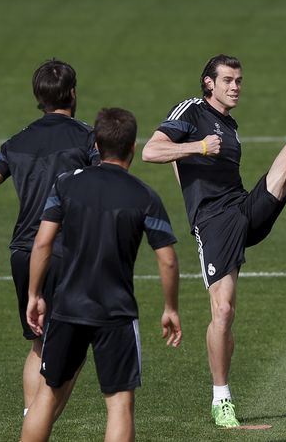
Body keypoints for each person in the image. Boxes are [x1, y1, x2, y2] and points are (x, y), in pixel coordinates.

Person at [141, 54, 286, 428]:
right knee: (224, 312)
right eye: (228, 80)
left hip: (243, 210)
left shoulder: (229, 125)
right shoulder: (191, 112)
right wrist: (197, 147)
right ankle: (221, 400)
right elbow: (150, 151)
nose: (235, 87)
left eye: (239, 81)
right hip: (213, 223)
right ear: (208, 82)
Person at [20, 108, 182, 442]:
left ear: (96, 143)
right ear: (133, 148)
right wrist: (171, 308)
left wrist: (35, 295)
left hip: (67, 307)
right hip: (116, 312)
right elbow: (167, 260)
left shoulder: (67, 184)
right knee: (120, 405)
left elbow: (42, 243)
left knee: (47, 395)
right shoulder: (144, 196)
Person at [0, 59, 99, 416]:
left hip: (24, 252)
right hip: (68, 252)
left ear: (38, 97)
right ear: (72, 93)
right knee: (73, 347)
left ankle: (30, 422)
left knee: (40, 343)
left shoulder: (16, 142)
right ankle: (40, 425)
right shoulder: (87, 137)